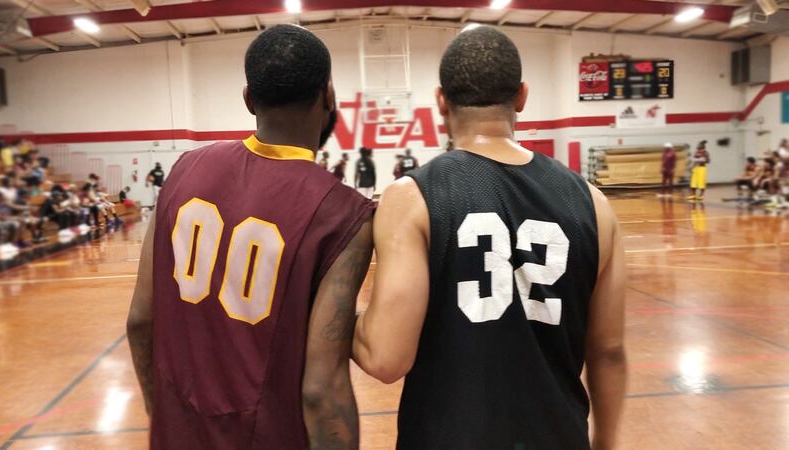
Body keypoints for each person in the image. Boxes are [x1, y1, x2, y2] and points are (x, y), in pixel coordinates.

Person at [352, 26, 627, 450]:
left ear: (440, 100)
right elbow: (608, 351)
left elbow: (385, 358)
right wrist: (605, 441)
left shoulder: (412, 198)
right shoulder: (593, 203)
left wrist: (332, 316)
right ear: (522, 96)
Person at [127, 25, 374, 450]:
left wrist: (160, 415)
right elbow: (322, 391)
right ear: (329, 95)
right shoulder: (344, 213)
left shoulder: (185, 168)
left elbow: (140, 321)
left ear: (248, 99)